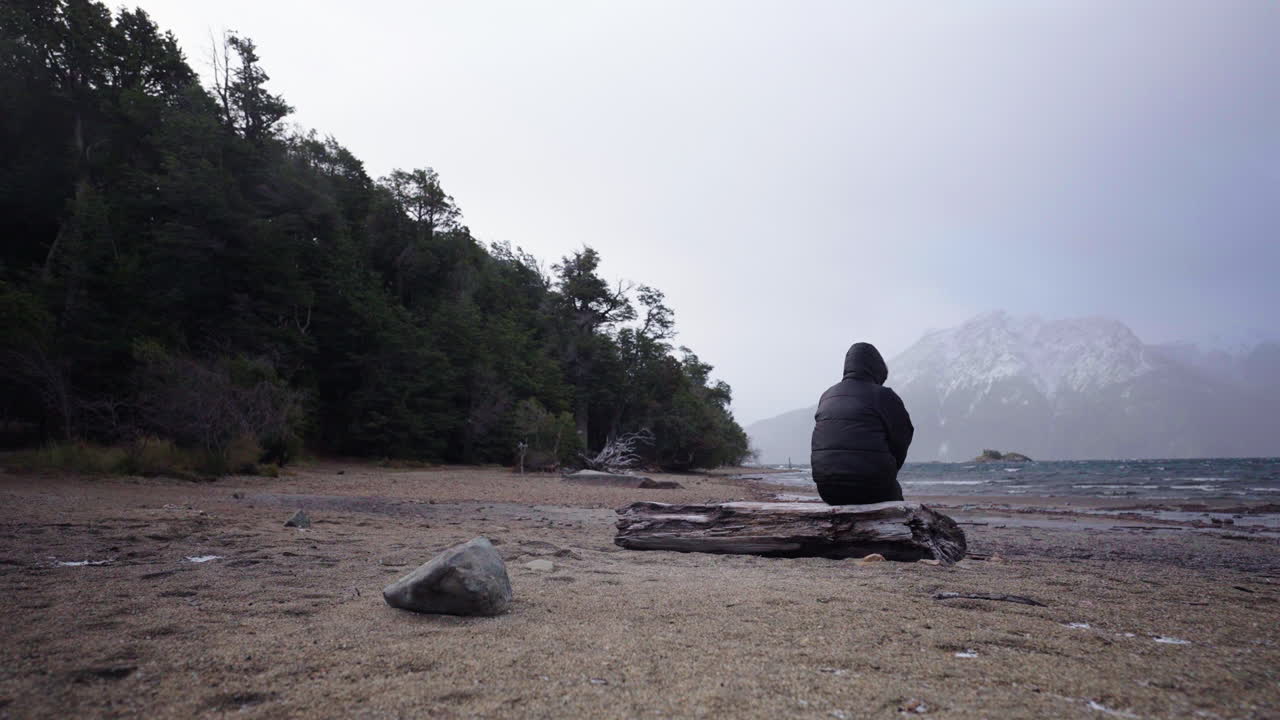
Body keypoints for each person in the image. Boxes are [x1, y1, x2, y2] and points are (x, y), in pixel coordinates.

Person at [810, 342, 914, 505]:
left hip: (827, 489)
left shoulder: (827, 396)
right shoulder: (883, 395)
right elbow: (902, 438)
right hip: (873, 489)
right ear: (877, 369)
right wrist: (889, 469)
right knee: (894, 498)